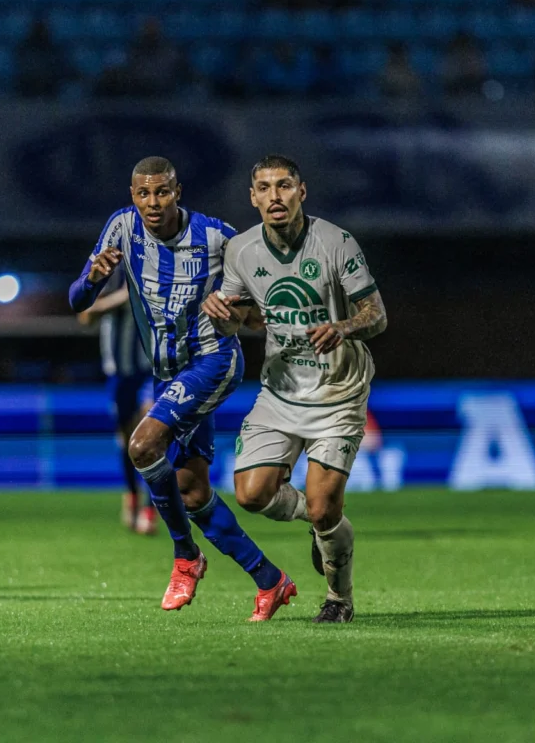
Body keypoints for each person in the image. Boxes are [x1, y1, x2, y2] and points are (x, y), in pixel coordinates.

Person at [69, 156, 296, 621]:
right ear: (133, 196)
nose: (153, 203)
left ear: (178, 191)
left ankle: (184, 558)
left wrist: (237, 314)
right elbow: (76, 300)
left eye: (163, 192)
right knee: (192, 494)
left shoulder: (218, 237)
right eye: (144, 194)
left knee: (143, 444)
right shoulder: (121, 228)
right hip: (167, 373)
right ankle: (271, 580)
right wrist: (91, 278)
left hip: (213, 361)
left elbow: (264, 310)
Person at [201, 154, 388, 623]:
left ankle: (338, 599)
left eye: (284, 186)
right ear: (252, 197)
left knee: (326, 506)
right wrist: (224, 321)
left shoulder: (336, 242)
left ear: (301, 192)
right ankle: (322, 526)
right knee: (250, 495)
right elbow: (248, 319)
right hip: (281, 390)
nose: (274, 196)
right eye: (264, 188)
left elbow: (377, 315)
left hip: (339, 391)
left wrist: (343, 327)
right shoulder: (241, 250)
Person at [76, 269, 156, 535]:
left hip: (151, 370)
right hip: (119, 374)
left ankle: (150, 508)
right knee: (127, 441)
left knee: (152, 437)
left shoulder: (158, 265)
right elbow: (85, 316)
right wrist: (122, 298)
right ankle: (132, 494)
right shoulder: (107, 273)